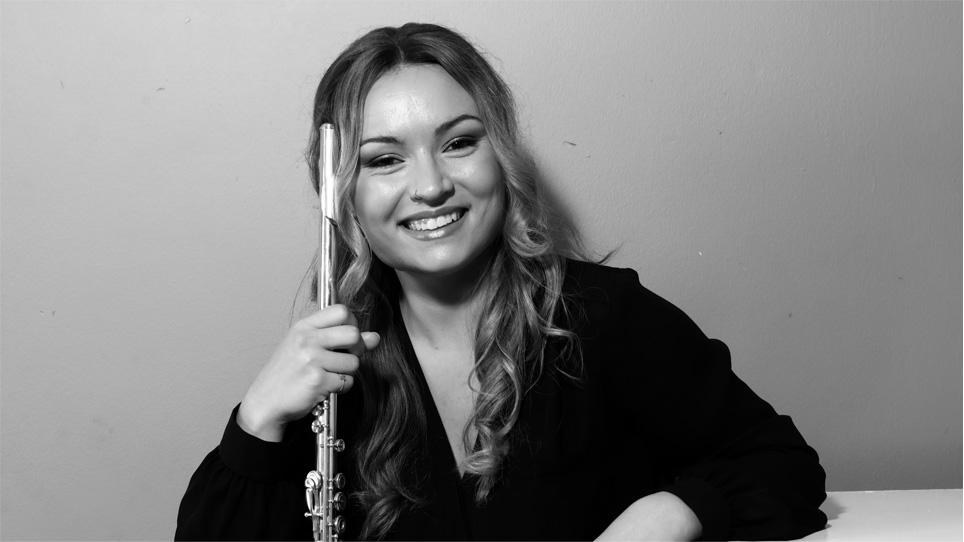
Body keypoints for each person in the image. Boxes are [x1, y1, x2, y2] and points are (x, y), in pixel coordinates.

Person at [175, 23, 827, 541]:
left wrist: (668, 513)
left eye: (458, 143)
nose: (430, 185)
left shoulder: (605, 317)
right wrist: (257, 421)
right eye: (384, 159)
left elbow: (780, 464)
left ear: (502, 158)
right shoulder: (331, 379)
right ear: (341, 197)